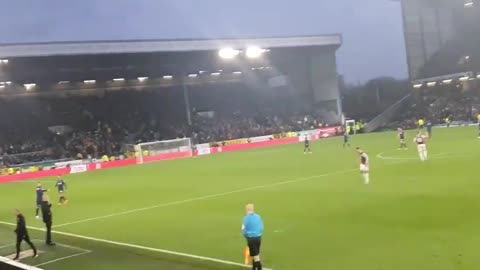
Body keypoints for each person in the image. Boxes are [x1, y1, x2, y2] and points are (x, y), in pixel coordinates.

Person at [242, 204, 264, 270]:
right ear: (253, 209)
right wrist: (258, 234)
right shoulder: (258, 216)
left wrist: (247, 236)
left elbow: (244, 230)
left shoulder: (245, 218)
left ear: (247, 210)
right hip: (258, 238)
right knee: (256, 254)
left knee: (256, 257)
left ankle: (259, 268)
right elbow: (261, 228)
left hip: (251, 239)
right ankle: (254, 268)